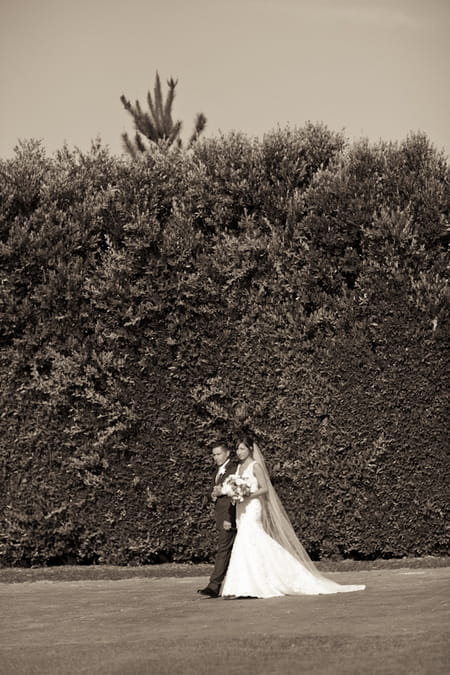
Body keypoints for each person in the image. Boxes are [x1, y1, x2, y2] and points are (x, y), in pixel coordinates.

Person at [220, 436, 366, 599]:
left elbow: (265, 488)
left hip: (253, 506)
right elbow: (235, 486)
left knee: (251, 538)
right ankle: (242, 585)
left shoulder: (256, 467)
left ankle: (255, 584)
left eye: (242, 449)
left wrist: (247, 494)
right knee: (245, 542)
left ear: (250, 450)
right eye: (238, 449)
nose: (239, 452)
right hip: (242, 508)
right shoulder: (239, 468)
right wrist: (234, 494)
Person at [197, 442, 237, 598]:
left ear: (227, 453)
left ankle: (214, 585)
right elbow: (212, 490)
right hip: (220, 515)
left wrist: (230, 518)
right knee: (227, 550)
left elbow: (235, 494)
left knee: (223, 549)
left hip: (230, 515)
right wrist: (212, 495)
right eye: (213, 455)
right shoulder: (217, 471)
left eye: (218, 454)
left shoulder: (234, 469)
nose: (215, 457)